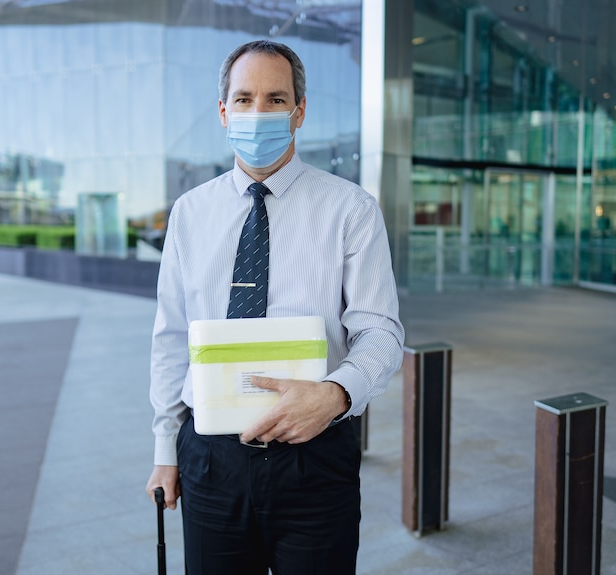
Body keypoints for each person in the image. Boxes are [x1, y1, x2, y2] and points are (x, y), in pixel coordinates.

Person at [145, 39, 404, 574]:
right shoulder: (190, 213)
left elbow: (381, 332)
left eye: (275, 98)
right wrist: (165, 450)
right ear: (223, 112)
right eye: (243, 99)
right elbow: (171, 338)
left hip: (314, 454)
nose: (257, 112)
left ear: (299, 111)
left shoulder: (350, 209)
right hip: (211, 459)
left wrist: (336, 394)